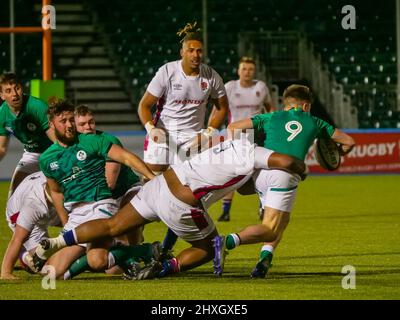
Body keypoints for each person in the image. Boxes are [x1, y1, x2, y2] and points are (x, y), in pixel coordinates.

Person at [33, 135, 307, 280]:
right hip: (181, 202)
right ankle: (162, 268)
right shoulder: (253, 151)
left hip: (160, 185)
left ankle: (58, 240)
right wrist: (301, 168)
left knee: (112, 225)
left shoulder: (228, 144)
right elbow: (284, 161)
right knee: (209, 248)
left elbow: (236, 181)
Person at [213, 84, 355, 277]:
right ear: (305, 106)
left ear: (286, 104)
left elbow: (233, 127)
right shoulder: (316, 122)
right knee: (270, 229)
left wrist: (234, 155)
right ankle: (227, 242)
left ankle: (265, 259)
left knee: (283, 218)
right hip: (285, 175)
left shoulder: (271, 117)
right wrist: (335, 154)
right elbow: (349, 142)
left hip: (261, 173)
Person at [33, 98, 156, 279]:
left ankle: (146, 250)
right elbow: (57, 192)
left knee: (97, 261)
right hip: (76, 215)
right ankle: (132, 253)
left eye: (70, 120)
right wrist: (66, 221)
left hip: (100, 206)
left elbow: (127, 158)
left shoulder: (92, 141)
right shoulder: (46, 159)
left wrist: (152, 178)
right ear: (51, 124)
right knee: (50, 273)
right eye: (63, 121)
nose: (69, 125)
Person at [137, 21, 229, 257]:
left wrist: (208, 133)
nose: (196, 55)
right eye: (191, 50)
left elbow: (221, 108)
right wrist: (151, 129)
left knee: (185, 199)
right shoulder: (167, 71)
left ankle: (166, 248)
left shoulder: (211, 76)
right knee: (149, 189)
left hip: (192, 141)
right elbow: (144, 106)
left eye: (199, 50)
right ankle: (133, 241)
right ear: (182, 52)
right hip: (163, 135)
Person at [216, 56, 275, 222]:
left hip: (257, 134)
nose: (247, 72)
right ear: (238, 71)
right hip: (235, 135)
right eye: (244, 69)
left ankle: (263, 206)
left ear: (254, 71)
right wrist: (210, 129)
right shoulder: (229, 87)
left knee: (260, 172)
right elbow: (219, 109)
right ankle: (226, 211)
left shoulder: (261, 87)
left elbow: (270, 108)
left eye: (250, 69)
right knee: (231, 173)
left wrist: (271, 126)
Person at [0, 72, 56, 198]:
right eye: (8, 91)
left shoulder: (37, 107)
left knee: (54, 195)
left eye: (17, 88)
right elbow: (1, 148)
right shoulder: (2, 114)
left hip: (51, 152)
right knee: (13, 196)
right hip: (31, 154)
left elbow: (57, 141)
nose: (14, 94)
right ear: (2, 95)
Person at [0, 172, 60, 280]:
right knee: (48, 268)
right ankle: (24, 255)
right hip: (19, 213)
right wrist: (6, 273)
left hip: (47, 202)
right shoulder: (33, 205)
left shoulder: (62, 178)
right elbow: (18, 239)